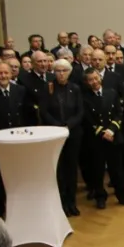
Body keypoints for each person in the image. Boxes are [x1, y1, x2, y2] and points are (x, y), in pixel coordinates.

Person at [82, 69, 124, 208]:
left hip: (113, 136)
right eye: (91, 80)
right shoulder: (84, 98)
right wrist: (103, 133)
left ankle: (122, 195)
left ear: (100, 77)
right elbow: (88, 119)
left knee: (117, 170)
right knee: (97, 170)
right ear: (86, 82)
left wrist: (111, 130)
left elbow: (118, 113)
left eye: (96, 78)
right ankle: (100, 197)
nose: (94, 82)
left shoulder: (111, 93)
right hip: (96, 139)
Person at [44, 60, 85, 216]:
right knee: (59, 169)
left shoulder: (75, 88)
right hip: (55, 134)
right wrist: (58, 126)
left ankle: (72, 202)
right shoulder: (48, 88)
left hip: (73, 133)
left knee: (71, 168)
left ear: (69, 72)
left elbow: (80, 111)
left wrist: (68, 125)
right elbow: (44, 111)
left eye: (64, 71)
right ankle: (62, 203)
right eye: (58, 71)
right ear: (54, 72)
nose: (61, 74)